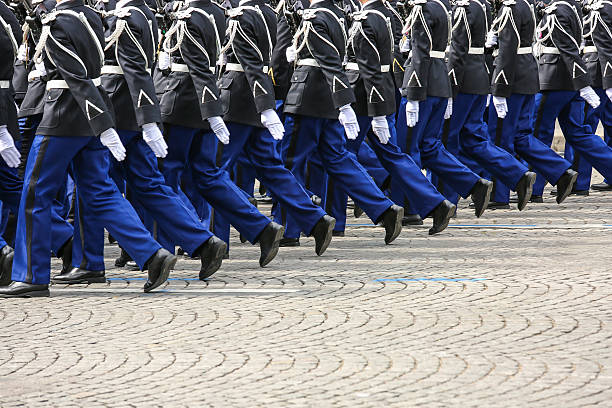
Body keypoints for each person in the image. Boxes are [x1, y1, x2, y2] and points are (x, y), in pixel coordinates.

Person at [0, 0, 177, 297]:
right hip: (94, 116)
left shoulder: (57, 22)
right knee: (100, 190)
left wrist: (105, 127)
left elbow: (77, 78)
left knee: (35, 192)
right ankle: (151, 253)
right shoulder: (92, 16)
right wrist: (103, 125)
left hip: (63, 117)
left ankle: (31, 274)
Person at [158, 0, 291, 265]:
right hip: (212, 102)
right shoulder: (222, 14)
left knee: (166, 176)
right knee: (208, 175)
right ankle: (261, 228)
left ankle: (184, 243)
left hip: (183, 103)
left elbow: (196, 67)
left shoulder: (188, 16)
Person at [215, 0, 337, 255]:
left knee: (216, 171)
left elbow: (248, 63)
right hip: (261, 99)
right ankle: (315, 219)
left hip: (237, 99)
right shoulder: (271, 13)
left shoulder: (241, 15)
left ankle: (220, 239)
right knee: (272, 168)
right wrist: (268, 103)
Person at [327, 0, 456, 236]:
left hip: (363, 95)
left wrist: (375, 112)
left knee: (341, 156)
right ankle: (436, 204)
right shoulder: (384, 15)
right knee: (393, 155)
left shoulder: (365, 19)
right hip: (381, 92)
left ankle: (341, 220)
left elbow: (369, 68)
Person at [283, 0, 404, 245]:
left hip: (308, 97)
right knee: (338, 159)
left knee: (290, 163)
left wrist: (345, 105)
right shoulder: (342, 15)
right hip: (329, 97)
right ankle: (383, 209)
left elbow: (329, 62)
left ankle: (295, 227)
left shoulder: (315, 17)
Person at [397, 0, 493, 218]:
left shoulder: (424, 8)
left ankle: (414, 207)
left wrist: (412, 93)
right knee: (430, 147)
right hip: (440, 82)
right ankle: (473, 184)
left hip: (422, 86)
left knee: (408, 150)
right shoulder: (444, 7)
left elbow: (420, 53)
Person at [443, 0, 537, 211]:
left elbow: (458, 51)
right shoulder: (482, 6)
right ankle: (517, 174)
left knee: (448, 140)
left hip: (462, 81)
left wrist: (450, 88)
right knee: (474, 139)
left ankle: (447, 199)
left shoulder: (464, 8)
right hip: (479, 78)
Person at [485, 0, 577, 205]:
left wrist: (499, 88)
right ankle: (561, 171)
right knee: (521, 136)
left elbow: (508, 49)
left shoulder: (510, 7)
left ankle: (500, 195)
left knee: (500, 137)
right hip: (528, 74)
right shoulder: (526, 4)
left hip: (511, 79)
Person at [530, 0, 612, 200]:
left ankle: (536, 187)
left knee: (538, 133)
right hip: (575, 80)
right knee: (579, 133)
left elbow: (568, 48)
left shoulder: (558, 10)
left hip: (554, 79)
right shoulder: (573, 7)